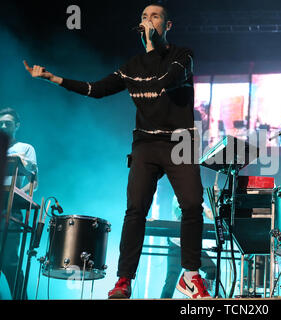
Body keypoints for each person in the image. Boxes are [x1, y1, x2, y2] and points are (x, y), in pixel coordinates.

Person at [23, 3, 211, 299]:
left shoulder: (182, 56)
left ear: (168, 25)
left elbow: (168, 78)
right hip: (146, 144)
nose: (149, 21)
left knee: (192, 205)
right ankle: (124, 280)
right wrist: (54, 78)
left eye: (156, 17)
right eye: (144, 17)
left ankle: (190, 276)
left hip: (180, 141)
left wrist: (155, 45)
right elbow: (95, 89)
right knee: (135, 210)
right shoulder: (131, 66)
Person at [0, 107, 38, 299]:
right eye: (1, 123)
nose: (3, 126)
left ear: (17, 126)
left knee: (9, 262)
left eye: (7, 123)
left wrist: (14, 194)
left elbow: (34, 182)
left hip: (11, 208)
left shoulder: (25, 148)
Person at [161, 195, 217, 298]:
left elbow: (210, 214)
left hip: (192, 245)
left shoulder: (197, 198)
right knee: (171, 280)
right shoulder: (178, 196)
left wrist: (216, 206)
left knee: (212, 269)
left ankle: (202, 292)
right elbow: (184, 211)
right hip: (177, 244)